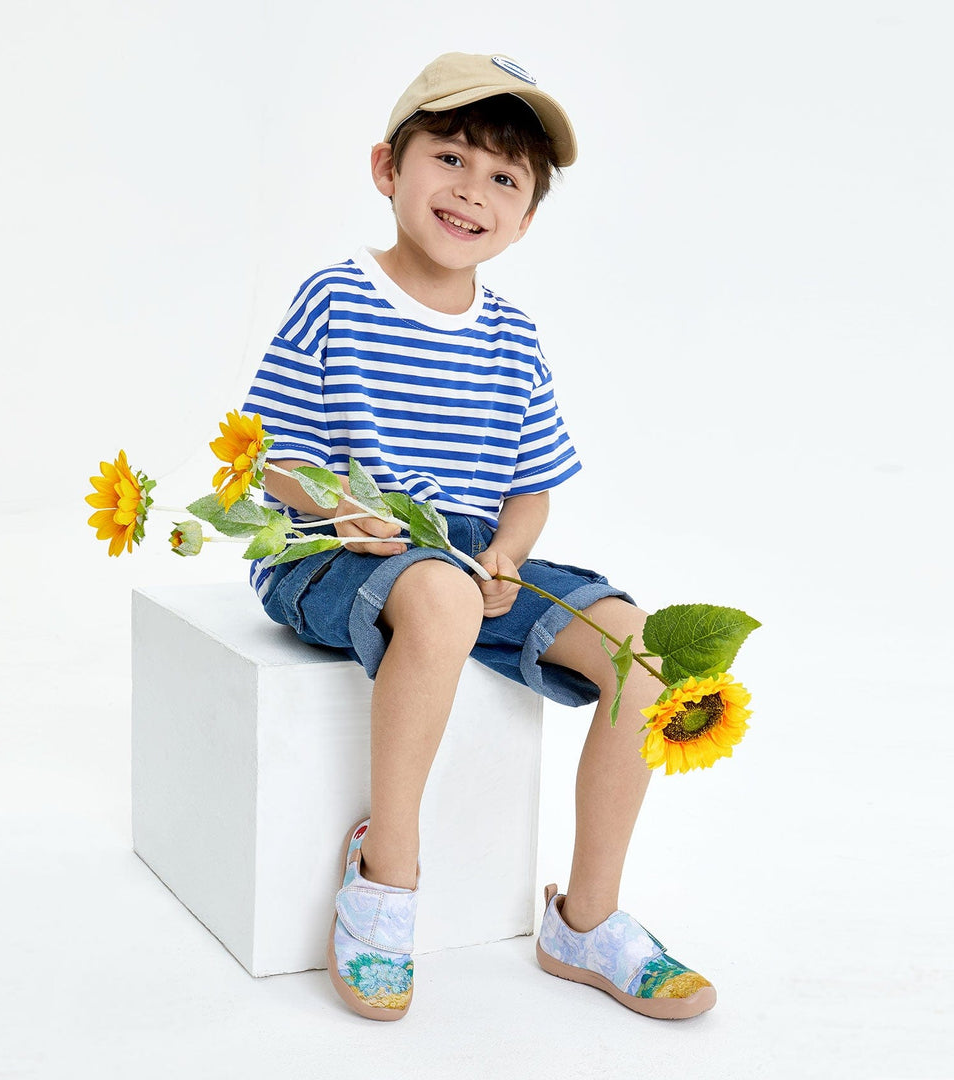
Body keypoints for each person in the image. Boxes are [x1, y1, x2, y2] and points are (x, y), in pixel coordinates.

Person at [241, 52, 716, 1022]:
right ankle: (387, 872)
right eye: (450, 158)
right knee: (442, 593)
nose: (471, 190)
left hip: (463, 556)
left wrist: (507, 552)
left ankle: (586, 919)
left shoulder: (513, 336)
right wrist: (337, 508)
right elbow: (269, 456)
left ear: (526, 217)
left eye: (504, 177)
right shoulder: (337, 296)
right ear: (389, 168)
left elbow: (530, 489)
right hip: (335, 550)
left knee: (645, 653)